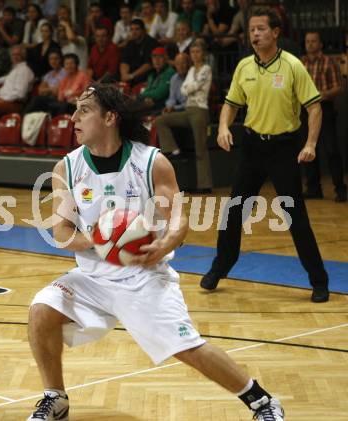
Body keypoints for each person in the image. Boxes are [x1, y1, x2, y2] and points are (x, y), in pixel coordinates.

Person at [26, 83, 284, 421]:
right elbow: (61, 231)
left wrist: (166, 242)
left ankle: (262, 402)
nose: (73, 117)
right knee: (41, 310)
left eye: (84, 110)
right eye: (75, 109)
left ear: (110, 118)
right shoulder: (67, 168)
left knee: (187, 347)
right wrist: (101, 238)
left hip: (143, 275)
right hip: (92, 276)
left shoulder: (150, 162)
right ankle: (55, 397)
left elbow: (178, 219)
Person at [199, 7, 330, 303]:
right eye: (252, 30)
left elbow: (315, 107)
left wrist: (309, 144)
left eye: (260, 29)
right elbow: (231, 104)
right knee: (234, 211)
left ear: (275, 32)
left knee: (295, 216)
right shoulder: (244, 66)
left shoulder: (293, 66)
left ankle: (319, 280)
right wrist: (222, 127)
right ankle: (220, 266)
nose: (255, 34)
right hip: (252, 147)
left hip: (284, 148)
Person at [156, 41, 213, 193]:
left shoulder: (206, 69)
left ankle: (204, 185)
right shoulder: (192, 69)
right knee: (161, 120)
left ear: (204, 54)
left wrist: (189, 88)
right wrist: (190, 88)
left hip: (200, 110)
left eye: (198, 52)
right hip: (188, 110)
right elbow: (184, 89)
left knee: (200, 148)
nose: (195, 55)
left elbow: (191, 87)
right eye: (193, 52)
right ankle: (172, 149)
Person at [301, 31, 347, 203]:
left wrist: (321, 94)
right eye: (308, 41)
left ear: (320, 44)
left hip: (325, 108)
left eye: (314, 41)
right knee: (307, 149)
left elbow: (338, 88)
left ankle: (340, 189)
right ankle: (313, 188)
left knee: (331, 150)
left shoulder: (329, 62)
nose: (310, 44)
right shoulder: (301, 63)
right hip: (305, 110)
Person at [133, 46, 175, 115]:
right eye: (154, 57)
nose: (156, 60)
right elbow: (148, 89)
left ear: (166, 59)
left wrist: (139, 96)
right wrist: (144, 98)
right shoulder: (152, 74)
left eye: (160, 57)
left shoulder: (170, 72)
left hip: (164, 105)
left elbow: (160, 93)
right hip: (151, 102)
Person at [119, 18, 158, 86]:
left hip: (145, 74)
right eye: (132, 29)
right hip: (131, 74)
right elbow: (124, 61)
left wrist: (131, 76)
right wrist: (124, 75)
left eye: (137, 29)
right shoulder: (130, 43)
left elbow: (148, 64)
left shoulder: (151, 42)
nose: (134, 32)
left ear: (143, 30)